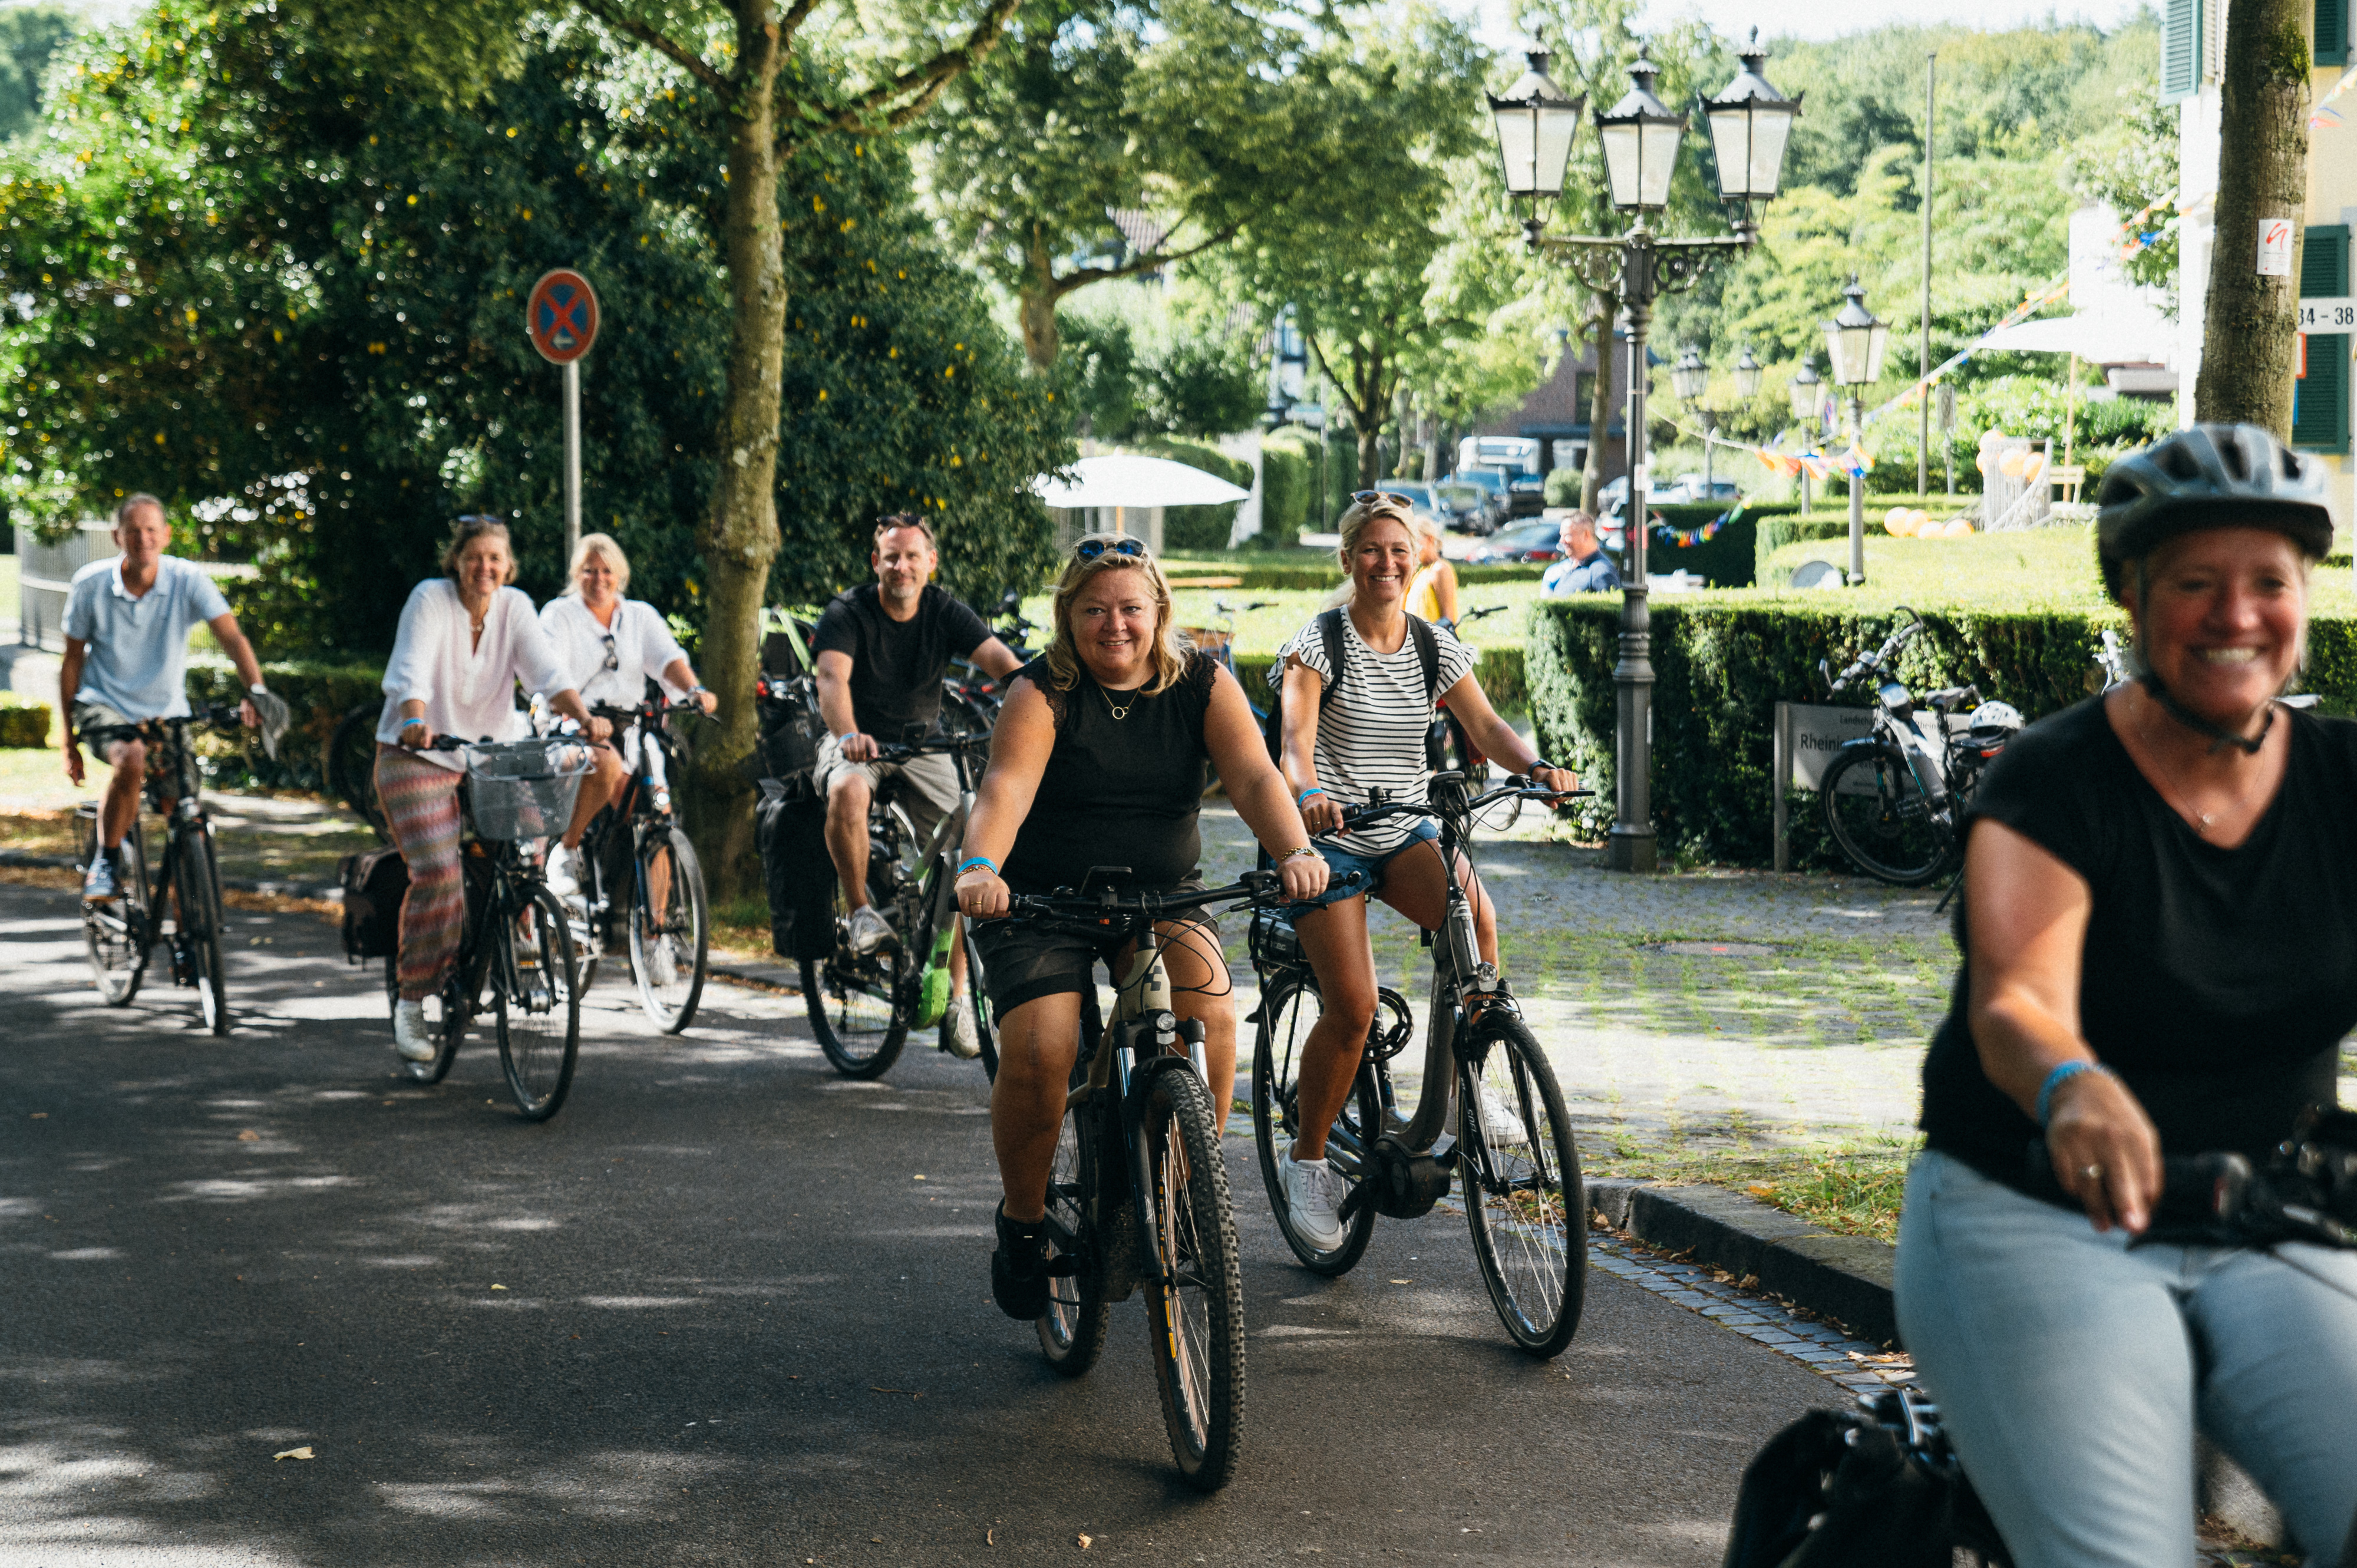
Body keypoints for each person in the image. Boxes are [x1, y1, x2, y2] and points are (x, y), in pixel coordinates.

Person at [1893, 424, 2357, 1568]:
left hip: (2268, 1218)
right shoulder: (2054, 779)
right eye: (2195, 583)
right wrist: (2071, 1081)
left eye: (2266, 583)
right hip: (2032, 1212)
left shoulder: (2343, 782)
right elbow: (2014, 1003)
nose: (2234, 614)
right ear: (2130, 595)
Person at [953, 534, 1328, 1319]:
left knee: (1214, 1013)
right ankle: (1024, 1224)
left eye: (1130, 607)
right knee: (1043, 1048)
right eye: (1094, 609)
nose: (1114, 624)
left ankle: (1191, 1195)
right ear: (1069, 617)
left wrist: (1294, 848)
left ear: (1159, 611)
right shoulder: (1042, 689)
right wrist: (983, 867)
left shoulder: (1199, 681)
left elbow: (1256, 774)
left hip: (1160, 895)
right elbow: (1005, 787)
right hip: (1037, 901)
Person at [1271, 494, 1579, 1252]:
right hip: (1332, 838)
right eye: (1370, 551)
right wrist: (1308, 795)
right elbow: (1293, 745)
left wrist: (1535, 767)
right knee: (1352, 1007)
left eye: (1398, 550)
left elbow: (1487, 727)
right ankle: (1306, 1161)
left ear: (1419, 558)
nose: (1386, 564)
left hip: (1403, 825)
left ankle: (1474, 1081)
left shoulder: (1434, 646)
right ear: (1347, 560)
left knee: (1475, 915)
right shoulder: (1318, 643)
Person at [375, 516, 609, 1064]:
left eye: (495, 558)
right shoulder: (429, 600)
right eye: (475, 557)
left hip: (489, 754)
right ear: (456, 561)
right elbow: (410, 669)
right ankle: (412, 1000)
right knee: (438, 873)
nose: (485, 567)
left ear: (508, 566)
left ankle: (521, 936)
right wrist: (414, 718)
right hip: (419, 751)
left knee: (527, 848)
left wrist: (585, 717)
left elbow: (547, 672)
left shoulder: (515, 607)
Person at [812, 513, 1021, 1058]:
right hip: (859, 738)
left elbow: (1002, 663)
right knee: (847, 792)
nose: (901, 566)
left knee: (968, 841)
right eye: (891, 556)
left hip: (924, 741)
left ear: (931, 562)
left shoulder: (944, 610)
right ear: (875, 562)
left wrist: (1043, 694)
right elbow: (832, 679)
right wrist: (849, 734)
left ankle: (956, 997)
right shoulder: (847, 612)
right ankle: (859, 911)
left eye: (911, 556)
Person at [60, 494, 285, 902]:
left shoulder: (187, 579)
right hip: (103, 703)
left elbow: (232, 638)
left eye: (151, 530)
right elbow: (72, 661)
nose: (143, 538)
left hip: (166, 713)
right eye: (133, 531)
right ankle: (107, 862)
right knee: (131, 756)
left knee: (185, 817)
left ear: (165, 536)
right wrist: (67, 740)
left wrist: (255, 692)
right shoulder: (90, 585)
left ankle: (192, 947)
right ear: (117, 536)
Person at [537, 533, 717, 906]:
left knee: (659, 816)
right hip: (573, 724)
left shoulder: (639, 616)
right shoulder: (559, 614)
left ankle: (659, 937)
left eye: (607, 571)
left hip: (630, 725)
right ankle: (567, 851)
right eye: (589, 571)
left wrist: (695, 692)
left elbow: (668, 659)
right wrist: (582, 716)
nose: (599, 579)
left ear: (621, 575)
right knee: (605, 763)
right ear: (576, 574)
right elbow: (550, 674)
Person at [1539, 511, 1621, 595]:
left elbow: (1609, 606)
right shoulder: (1571, 566)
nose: (1562, 541)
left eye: (1567, 535)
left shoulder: (1601, 572)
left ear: (1586, 535)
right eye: (1561, 535)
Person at [1404, 511, 1461, 626]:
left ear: (1429, 539)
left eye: (1415, 541)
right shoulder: (1419, 573)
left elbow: (1447, 621)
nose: (1412, 547)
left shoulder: (1440, 569)